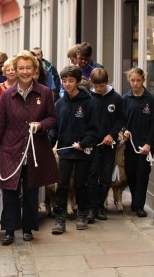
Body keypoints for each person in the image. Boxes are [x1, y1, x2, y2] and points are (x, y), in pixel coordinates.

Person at [0, 50, 59, 245]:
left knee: (31, 190)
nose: (25, 71)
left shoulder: (44, 92)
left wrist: (41, 125)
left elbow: (53, 118)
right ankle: (9, 230)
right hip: (11, 149)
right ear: (16, 70)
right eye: (21, 68)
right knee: (9, 190)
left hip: (34, 151)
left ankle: (28, 229)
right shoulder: (7, 94)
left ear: (35, 70)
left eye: (28, 68)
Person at [49, 65, 98, 234]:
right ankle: (60, 219)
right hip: (65, 150)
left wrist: (84, 143)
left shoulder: (89, 102)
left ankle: (82, 214)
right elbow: (55, 128)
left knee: (80, 184)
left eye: (70, 81)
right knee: (62, 184)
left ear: (78, 82)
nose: (67, 84)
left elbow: (94, 130)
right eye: (64, 81)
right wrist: (49, 144)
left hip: (83, 151)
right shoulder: (59, 103)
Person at [87, 68, 126, 222]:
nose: (99, 89)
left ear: (107, 82)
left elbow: (121, 120)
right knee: (92, 175)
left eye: (102, 85)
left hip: (110, 144)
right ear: (91, 83)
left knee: (105, 176)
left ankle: (100, 207)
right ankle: (91, 207)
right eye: (96, 86)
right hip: (93, 143)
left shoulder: (116, 98)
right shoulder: (88, 97)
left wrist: (111, 134)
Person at [122, 68, 154, 217]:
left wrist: (149, 144)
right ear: (129, 80)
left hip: (145, 145)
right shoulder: (125, 99)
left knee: (142, 174)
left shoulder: (150, 100)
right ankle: (135, 201)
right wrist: (124, 131)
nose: (135, 83)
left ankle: (139, 206)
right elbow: (121, 121)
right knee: (131, 174)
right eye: (132, 80)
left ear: (143, 80)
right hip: (130, 145)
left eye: (138, 80)